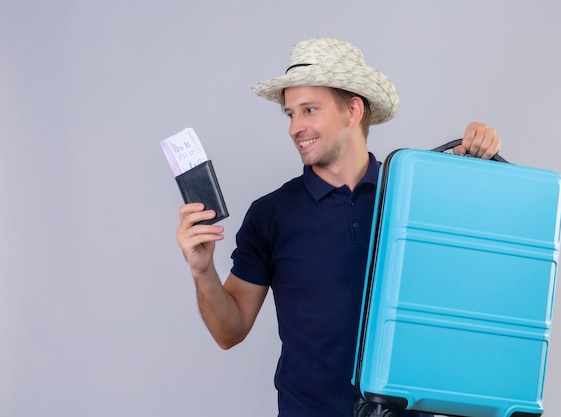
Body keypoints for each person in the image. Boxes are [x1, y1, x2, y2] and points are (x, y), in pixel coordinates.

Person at [175, 37, 502, 417]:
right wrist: (202, 271)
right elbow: (229, 332)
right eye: (290, 114)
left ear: (353, 110)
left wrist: (482, 164)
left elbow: (484, 282)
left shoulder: (419, 196)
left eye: (309, 110)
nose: (295, 127)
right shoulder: (270, 214)